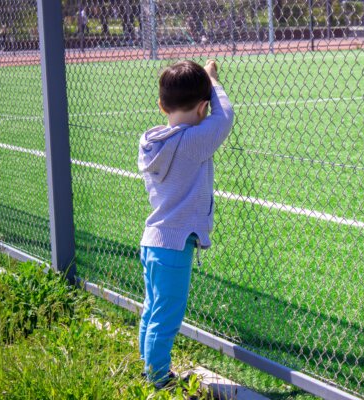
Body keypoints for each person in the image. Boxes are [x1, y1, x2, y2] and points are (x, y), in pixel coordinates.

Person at [137, 59, 234, 388]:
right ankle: (159, 379)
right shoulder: (194, 142)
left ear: (161, 105)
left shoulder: (151, 142)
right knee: (167, 314)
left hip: (152, 240)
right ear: (203, 108)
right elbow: (226, 118)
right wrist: (213, 80)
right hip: (174, 248)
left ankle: (147, 367)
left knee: (153, 309)